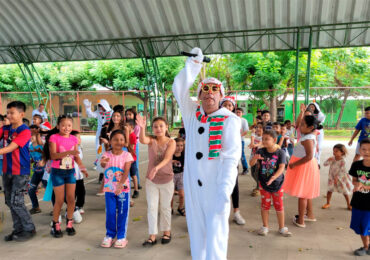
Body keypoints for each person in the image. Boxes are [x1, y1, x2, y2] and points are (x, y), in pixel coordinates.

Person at [172, 48, 241, 260]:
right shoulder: (192, 113)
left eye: (215, 89)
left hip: (216, 188)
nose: (209, 92)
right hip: (193, 189)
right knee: (197, 236)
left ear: (221, 96)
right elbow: (179, 89)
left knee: (216, 238)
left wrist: (225, 189)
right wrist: (193, 65)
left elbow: (231, 158)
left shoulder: (230, 119)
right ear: (199, 95)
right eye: (205, 89)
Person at [136, 115, 176, 247]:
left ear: (166, 127)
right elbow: (142, 140)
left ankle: (167, 232)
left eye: (161, 126)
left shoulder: (171, 142)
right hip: (152, 181)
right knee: (152, 208)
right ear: (152, 129)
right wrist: (141, 128)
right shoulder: (151, 140)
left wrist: (156, 168)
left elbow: (167, 158)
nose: (158, 129)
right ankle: (152, 236)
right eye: (155, 126)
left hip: (167, 180)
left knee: (165, 207)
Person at [1, 101, 36, 242]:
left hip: (21, 171)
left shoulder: (24, 130)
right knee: (10, 201)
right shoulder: (5, 129)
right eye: (7, 112)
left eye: (11, 113)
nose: (8, 115)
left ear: (21, 114)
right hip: (6, 170)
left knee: (17, 201)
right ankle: (18, 229)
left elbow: (12, 147)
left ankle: (29, 228)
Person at [48, 115, 88, 238]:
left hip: (70, 172)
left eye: (69, 125)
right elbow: (54, 156)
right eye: (63, 125)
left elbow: (76, 156)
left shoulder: (73, 139)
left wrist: (82, 168)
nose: (66, 128)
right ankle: (56, 224)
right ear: (58, 126)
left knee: (71, 199)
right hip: (57, 172)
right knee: (59, 200)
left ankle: (69, 223)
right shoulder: (54, 138)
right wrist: (69, 152)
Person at [250, 130, 292, 237]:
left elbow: (282, 167)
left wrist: (274, 177)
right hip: (264, 184)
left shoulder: (280, 152)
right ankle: (265, 227)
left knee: (279, 206)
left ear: (274, 140)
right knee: (265, 206)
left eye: (266, 139)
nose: (263, 141)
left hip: (277, 184)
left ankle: (282, 228)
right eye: (263, 139)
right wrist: (255, 158)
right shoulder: (261, 151)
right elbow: (251, 164)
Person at [283, 115, 320, 228]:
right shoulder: (310, 134)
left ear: (311, 127)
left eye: (303, 124)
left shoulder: (308, 139)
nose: (300, 126)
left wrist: (294, 164)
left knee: (302, 194)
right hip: (305, 165)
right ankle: (309, 214)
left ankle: (301, 221)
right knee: (306, 192)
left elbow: (309, 156)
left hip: (304, 166)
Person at [100, 130, 133, 249]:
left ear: (124, 142)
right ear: (110, 141)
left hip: (123, 189)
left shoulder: (127, 155)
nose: (119, 142)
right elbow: (103, 165)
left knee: (122, 212)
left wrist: (120, 185)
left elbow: (126, 172)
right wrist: (103, 162)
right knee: (110, 212)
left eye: (121, 139)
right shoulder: (107, 154)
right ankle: (109, 235)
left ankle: (121, 237)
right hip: (109, 190)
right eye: (115, 139)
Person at [220, 97, 245, 225]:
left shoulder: (235, 120)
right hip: (218, 159)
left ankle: (236, 212)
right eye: (225, 105)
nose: (228, 107)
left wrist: (236, 159)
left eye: (230, 105)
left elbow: (236, 142)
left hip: (231, 159)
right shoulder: (215, 119)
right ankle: (220, 213)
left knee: (234, 186)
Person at [348, 138, 370, 256]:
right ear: (359, 150)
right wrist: (357, 184)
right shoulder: (356, 165)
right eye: (364, 149)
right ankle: (366, 246)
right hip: (358, 202)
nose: (367, 152)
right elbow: (354, 180)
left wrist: (364, 187)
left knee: (366, 225)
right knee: (360, 226)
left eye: (369, 150)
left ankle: (367, 246)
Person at [322, 144, 353, 210]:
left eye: (336, 151)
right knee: (329, 190)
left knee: (345, 192)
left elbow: (343, 171)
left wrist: (337, 177)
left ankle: (349, 204)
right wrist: (328, 160)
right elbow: (325, 164)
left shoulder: (343, 161)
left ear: (342, 152)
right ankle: (327, 203)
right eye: (333, 151)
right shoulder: (332, 158)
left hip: (341, 179)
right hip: (332, 178)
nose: (334, 152)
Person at [28, 125, 46, 214]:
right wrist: (29, 163)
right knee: (31, 189)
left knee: (50, 190)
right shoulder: (30, 146)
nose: (31, 136)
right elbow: (31, 158)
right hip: (36, 171)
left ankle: (56, 208)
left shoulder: (42, 145)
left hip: (45, 171)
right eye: (30, 134)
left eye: (33, 134)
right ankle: (36, 207)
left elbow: (47, 156)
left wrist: (43, 161)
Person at [125, 108, 142, 189]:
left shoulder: (136, 126)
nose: (128, 116)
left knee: (135, 164)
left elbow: (134, 137)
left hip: (134, 144)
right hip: (128, 144)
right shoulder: (126, 124)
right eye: (127, 114)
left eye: (130, 114)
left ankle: (137, 183)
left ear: (134, 115)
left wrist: (129, 144)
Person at [172, 137, 185, 216]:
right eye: (177, 145)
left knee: (182, 195)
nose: (180, 147)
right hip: (171, 176)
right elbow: (165, 161)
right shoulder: (170, 154)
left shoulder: (184, 155)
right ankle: (170, 208)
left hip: (181, 176)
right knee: (170, 195)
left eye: (181, 145)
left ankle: (180, 208)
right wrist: (172, 161)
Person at [126, 119, 139, 199]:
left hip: (132, 159)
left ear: (131, 127)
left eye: (126, 126)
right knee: (127, 175)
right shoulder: (126, 135)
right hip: (126, 159)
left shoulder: (133, 136)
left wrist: (126, 145)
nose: (125, 128)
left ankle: (136, 190)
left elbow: (132, 149)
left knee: (133, 175)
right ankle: (127, 191)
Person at [249, 122, 263, 196]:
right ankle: (259, 186)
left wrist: (254, 144)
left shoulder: (263, 137)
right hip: (253, 157)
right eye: (257, 127)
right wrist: (252, 135)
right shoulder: (255, 136)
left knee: (257, 173)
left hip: (259, 159)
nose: (258, 129)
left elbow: (259, 144)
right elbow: (252, 143)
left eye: (260, 127)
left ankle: (258, 188)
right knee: (252, 173)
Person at [236, 107, 249, 175]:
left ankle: (245, 168)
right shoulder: (232, 119)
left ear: (242, 113)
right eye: (237, 112)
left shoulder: (244, 120)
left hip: (240, 141)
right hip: (233, 141)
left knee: (241, 155)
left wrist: (238, 136)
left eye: (239, 112)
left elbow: (246, 131)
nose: (238, 114)